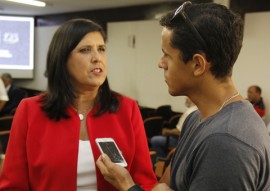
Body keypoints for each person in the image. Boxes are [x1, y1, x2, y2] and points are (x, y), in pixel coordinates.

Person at [96, 1, 270, 191]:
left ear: (197, 64)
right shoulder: (196, 118)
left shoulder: (226, 141)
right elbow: (162, 185)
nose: (160, 63)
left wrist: (127, 185)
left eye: (167, 55)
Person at [0, 18, 157, 190]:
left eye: (101, 49)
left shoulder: (127, 108)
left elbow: (145, 182)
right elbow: (13, 185)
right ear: (62, 58)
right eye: (85, 50)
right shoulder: (30, 110)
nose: (97, 58)